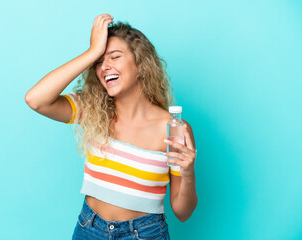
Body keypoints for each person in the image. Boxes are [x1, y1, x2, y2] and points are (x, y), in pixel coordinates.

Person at [25, 14, 197, 240]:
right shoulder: (93, 109)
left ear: (141, 64)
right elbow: (35, 99)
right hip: (89, 229)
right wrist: (91, 52)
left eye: (114, 57)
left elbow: (182, 212)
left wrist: (187, 173)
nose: (104, 67)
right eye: (99, 62)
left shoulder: (173, 128)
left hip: (145, 234)